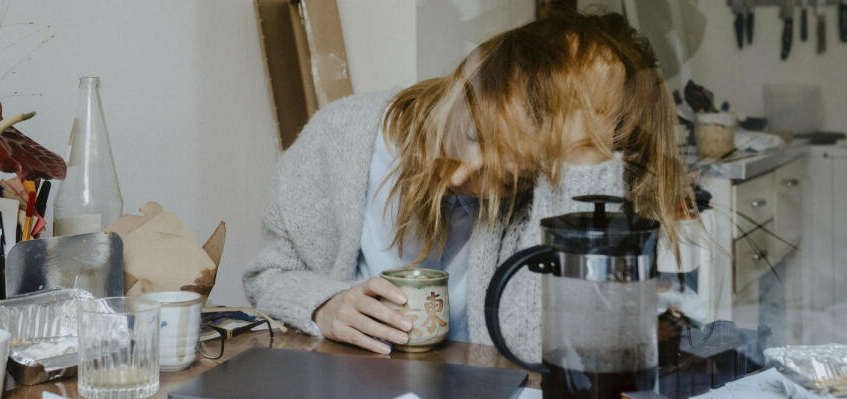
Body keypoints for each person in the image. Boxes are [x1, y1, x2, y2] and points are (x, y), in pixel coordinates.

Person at [243, 11, 688, 362]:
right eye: (472, 135)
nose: (459, 176)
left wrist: (581, 161)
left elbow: (537, 347)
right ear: (464, 88)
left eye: (508, 177)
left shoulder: (541, 195)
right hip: (346, 394)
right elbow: (269, 276)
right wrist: (325, 305)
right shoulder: (340, 136)